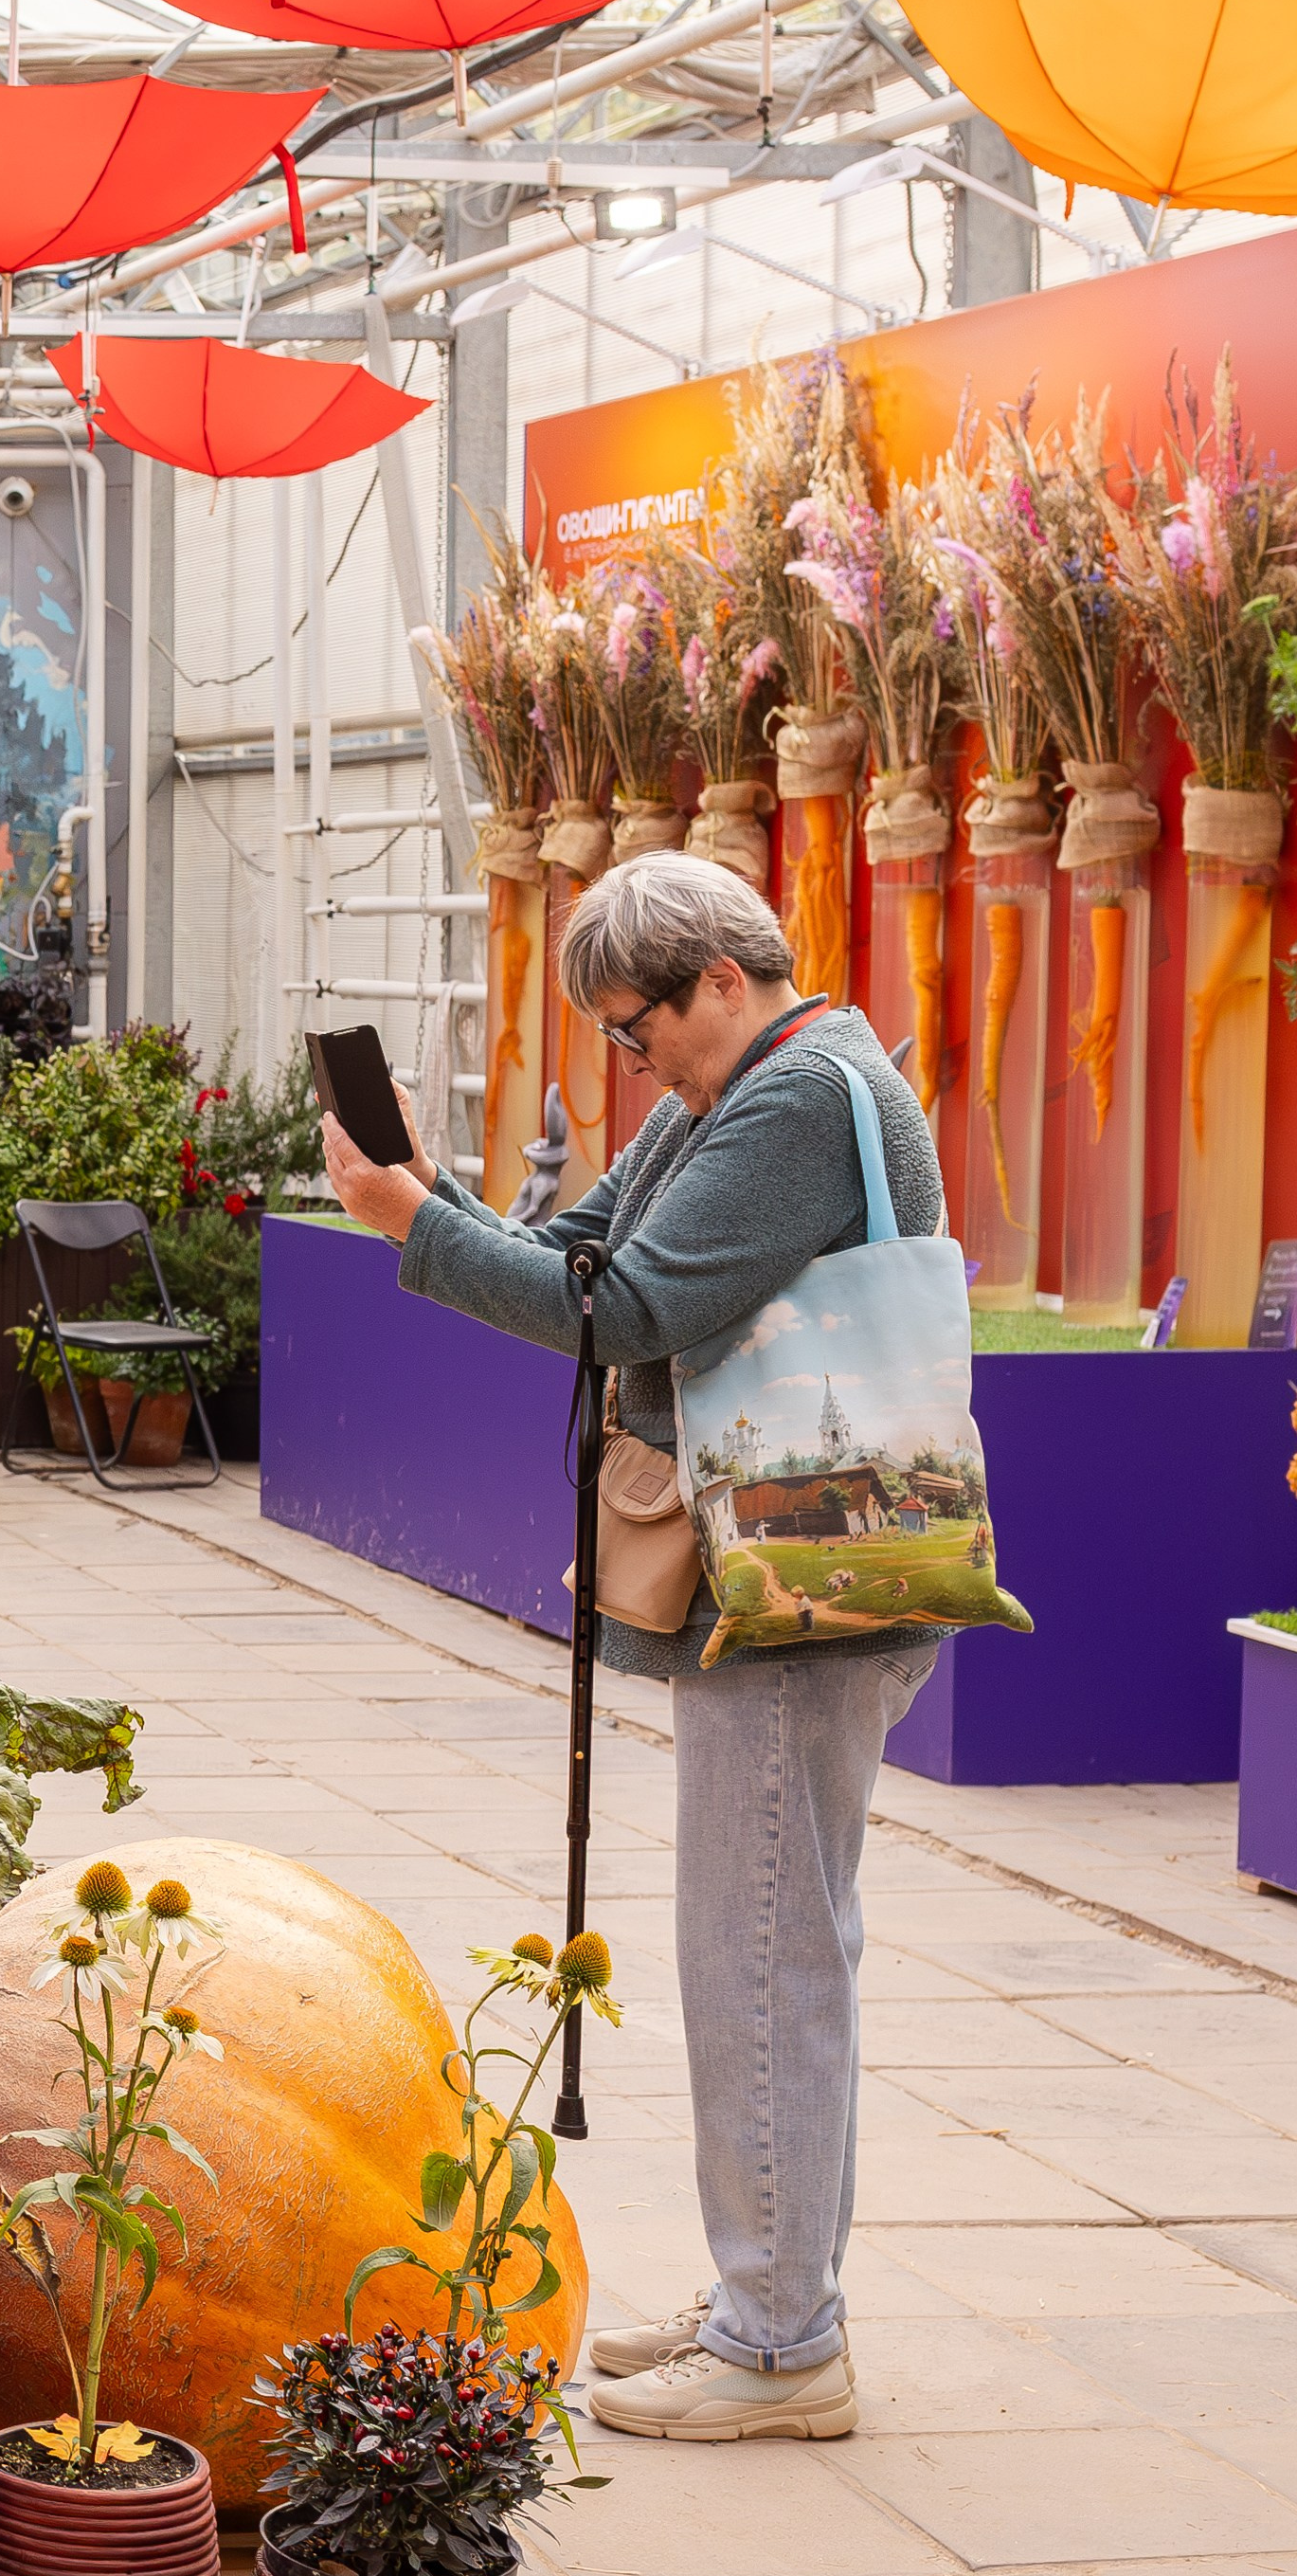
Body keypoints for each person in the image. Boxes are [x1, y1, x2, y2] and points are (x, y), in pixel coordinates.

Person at [319, 850, 943, 2444]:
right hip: (776, 1572)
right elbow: (586, 1254)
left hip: (802, 1585)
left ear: (720, 980)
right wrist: (426, 1200)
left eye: (634, 1025)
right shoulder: (726, 1093)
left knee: (764, 1954)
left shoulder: (798, 1102)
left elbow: (631, 1310)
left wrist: (409, 1227)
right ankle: (765, 2296)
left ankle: (784, 2342)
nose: (630, 1060)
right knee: (766, 1940)